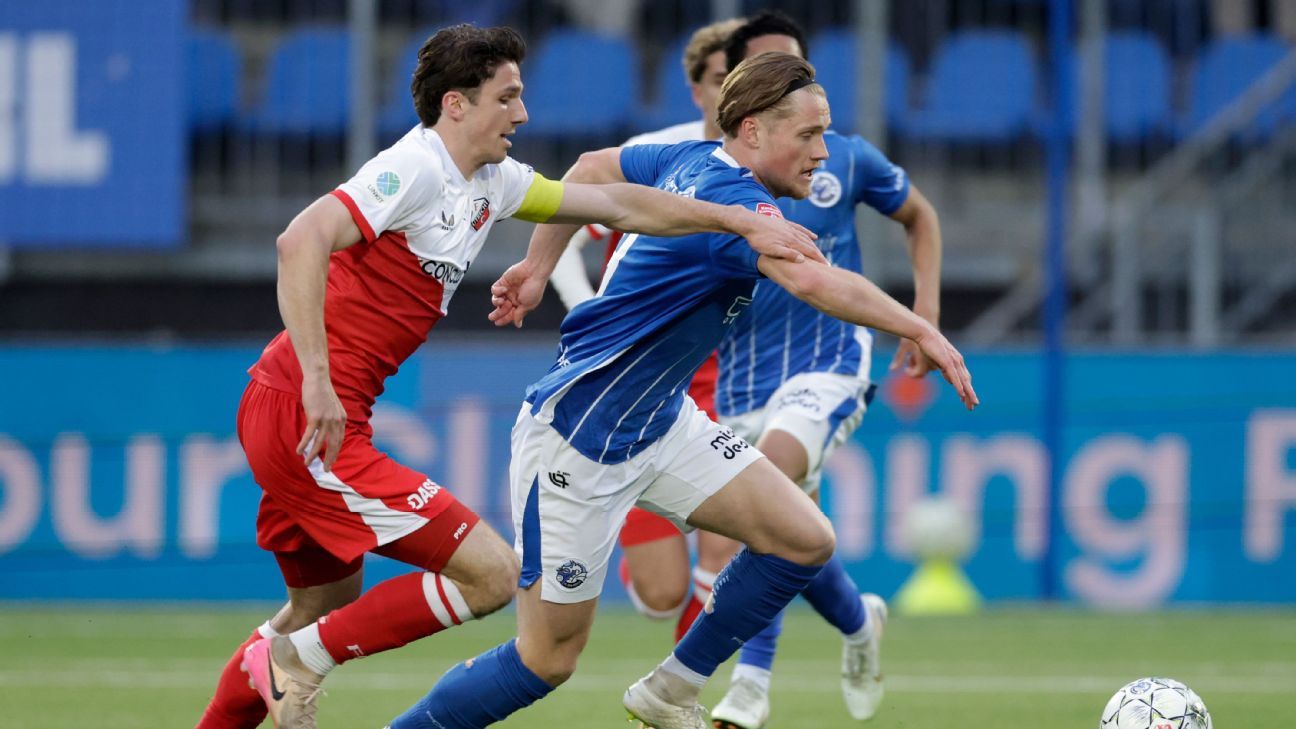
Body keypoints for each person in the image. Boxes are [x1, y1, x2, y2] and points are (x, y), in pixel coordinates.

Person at [193, 24, 819, 729]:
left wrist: (737, 221)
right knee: (490, 574)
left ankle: (273, 668)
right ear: (456, 104)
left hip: (310, 411)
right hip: (304, 414)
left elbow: (619, 204)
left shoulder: (492, 181)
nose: (522, 114)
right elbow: (299, 239)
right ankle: (298, 661)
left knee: (315, 609)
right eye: (507, 97)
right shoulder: (415, 168)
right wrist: (316, 379)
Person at [385, 51, 977, 729]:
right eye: (809, 135)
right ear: (752, 130)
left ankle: (671, 690)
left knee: (803, 537)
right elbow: (813, 280)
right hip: (580, 439)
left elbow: (590, 167)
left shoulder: (690, 159)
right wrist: (921, 328)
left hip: (663, 423)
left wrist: (537, 265)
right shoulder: (737, 204)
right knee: (544, 660)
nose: (823, 152)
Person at [708, 12, 947, 729]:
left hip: (829, 360)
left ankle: (749, 686)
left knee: (770, 489)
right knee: (790, 531)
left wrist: (925, 312)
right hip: (740, 378)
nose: (787, 85)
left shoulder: (844, 158)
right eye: (768, 72)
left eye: (796, 70)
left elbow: (920, 216)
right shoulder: (707, 174)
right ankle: (858, 620)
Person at [548, 17, 745, 642]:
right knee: (663, 594)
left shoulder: (776, 168)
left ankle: (686, 683)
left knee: (730, 554)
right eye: (721, 77)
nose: (732, 90)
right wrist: (586, 308)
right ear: (696, 89)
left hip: (727, 378)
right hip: (642, 380)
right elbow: (571, 229)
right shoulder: (659, 155)